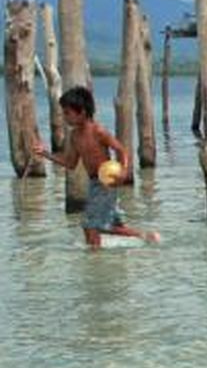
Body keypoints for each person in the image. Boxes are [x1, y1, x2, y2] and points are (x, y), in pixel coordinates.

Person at [34, 86, 159, 248]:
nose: (65, 117)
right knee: (102, 225)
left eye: (67, 113)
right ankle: (136, 240)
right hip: (93, 184)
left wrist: (124, 171)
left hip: (106, 182)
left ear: (82, 112)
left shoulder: (98, 131)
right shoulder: (74, 136)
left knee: (91, 225)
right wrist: (46, 154)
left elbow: (121, 150)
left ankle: (96, 257)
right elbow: (71, 163)